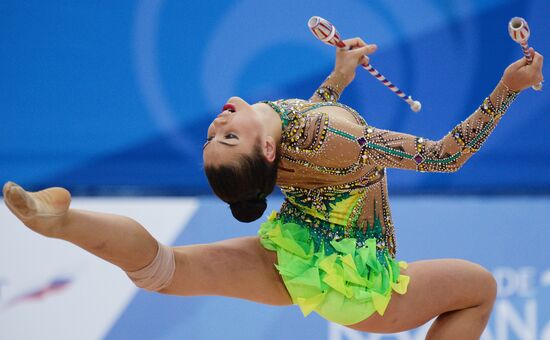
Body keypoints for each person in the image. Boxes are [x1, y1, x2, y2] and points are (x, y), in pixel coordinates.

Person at [3, 36, 543, 338]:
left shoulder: (280, 128)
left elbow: (311, 132)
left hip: (296, 253)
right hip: (355, 285)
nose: (217, 122)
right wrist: (506, 88)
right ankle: (62, 221)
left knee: (168, 272)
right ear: (264, 152)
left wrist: (337, 79)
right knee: (478, 287)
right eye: (228, 136)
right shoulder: (340, 139)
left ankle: (62, 221)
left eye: (215, 135)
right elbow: (447, 156)